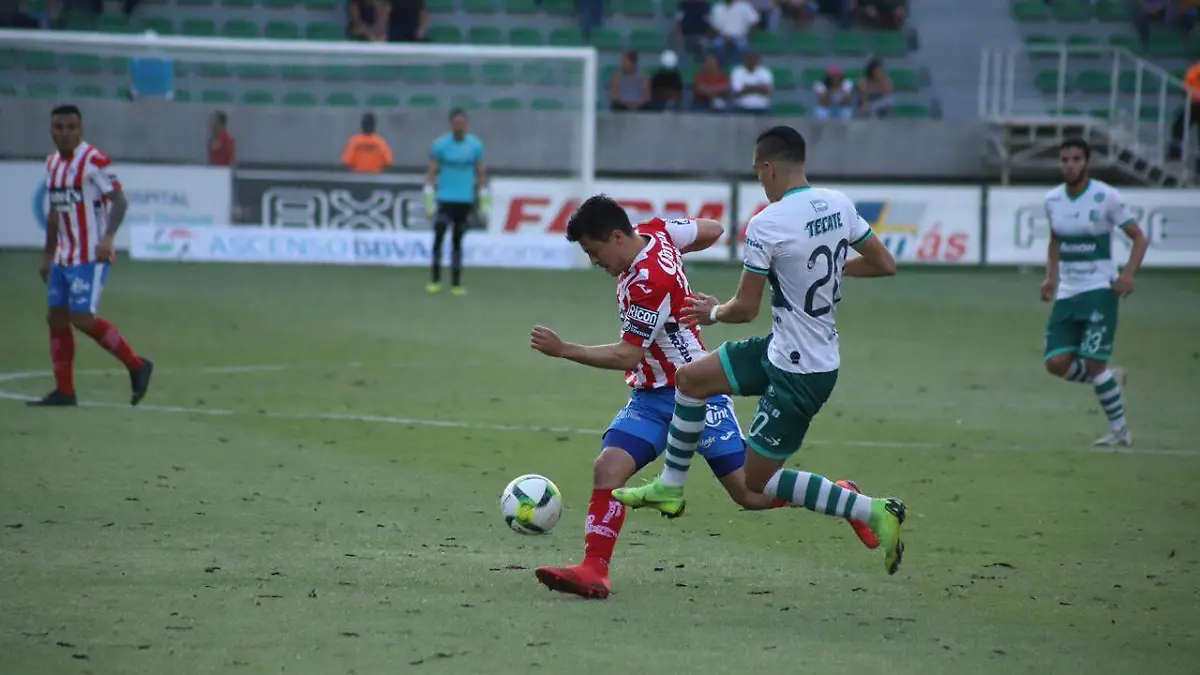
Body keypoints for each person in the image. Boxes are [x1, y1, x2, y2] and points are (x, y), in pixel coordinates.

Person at [530, 197, 876, 600]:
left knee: (749, 493)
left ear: (616, 236)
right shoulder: (657, 231)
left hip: (697, 391)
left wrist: (563, 349)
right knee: (609, 467)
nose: (594, 261)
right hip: (649, 395)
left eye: (594, 251)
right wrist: (677, 256)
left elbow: (628, 354)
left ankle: (844, 497)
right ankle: (593, 571)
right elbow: (712, 229)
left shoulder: (648, 281)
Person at [613, 126, 908, 576]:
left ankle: (870, 508)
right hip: (788, 348)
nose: (759, 181)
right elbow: (884, 264)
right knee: (691, 379)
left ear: (768, 167)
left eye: (757, 172)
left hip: (800, 371)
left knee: (756, 484)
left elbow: (744, 309)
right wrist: (818, 274)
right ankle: (670, 486)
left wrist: (712, 313)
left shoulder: (767, 224)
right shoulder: (839, 204)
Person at [29, 104, 153, 408]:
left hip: (90, 256)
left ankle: (137, 365)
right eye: (59, 127)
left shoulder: (94, 161)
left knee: (81, 318)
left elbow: (119, 201)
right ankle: (65, 392)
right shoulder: (53, 165)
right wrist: (48, 255)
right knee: (56, 317)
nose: (65, 133)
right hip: (63, 257)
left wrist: (108, 238)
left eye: (71, 127)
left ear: (81, 130)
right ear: (51, 131)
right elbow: (56, 213)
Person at [1040, 138, 1148, 447]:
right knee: (1055, 362)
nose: (1069, 165)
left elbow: (1138, 238)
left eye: (1076, 159)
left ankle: (1120, 433)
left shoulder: (1106, 196)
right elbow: (1055, 240)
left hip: (1100, 289)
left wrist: (1128, 274)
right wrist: (1051, 278)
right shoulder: (1052, 200)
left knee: (1092, 364)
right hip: (1068, 292)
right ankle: (1111, 381)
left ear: (1087, 162)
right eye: (1064, 159)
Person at [424, 108, 486, 296]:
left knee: (457, 240)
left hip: (464, 199)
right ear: (451, 124)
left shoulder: (475, 146)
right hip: (445, 198)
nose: (459, 126)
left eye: (462, 123)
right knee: (439, 237)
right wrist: (429, 197)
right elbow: (432, 172)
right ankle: (435, 280)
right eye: (456, 123)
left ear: (466, 125)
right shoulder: (441, 145)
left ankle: (456, 283)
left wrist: (483, 199)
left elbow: (480, 172)